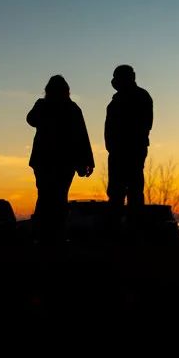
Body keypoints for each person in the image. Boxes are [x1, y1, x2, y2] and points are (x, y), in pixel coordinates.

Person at [27, 75, 94, 243]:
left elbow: (31, 120)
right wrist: (87, 161)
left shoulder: (50, 106)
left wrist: (87, 161)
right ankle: (53, 234)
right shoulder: (69, 108)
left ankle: (46, 234)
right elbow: (82, 136)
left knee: (47, 196)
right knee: (56, 197)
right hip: (59, 162)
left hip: (49, 161)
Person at [104, 64, 153, 228]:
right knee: (120, 191)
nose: (114, 81)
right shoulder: (121, 99)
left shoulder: (139, 97)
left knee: (131, 191)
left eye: (116, 77)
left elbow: (145, 125)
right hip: (120, 151)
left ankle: (132, 227)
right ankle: (120, 227)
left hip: (130, 150)